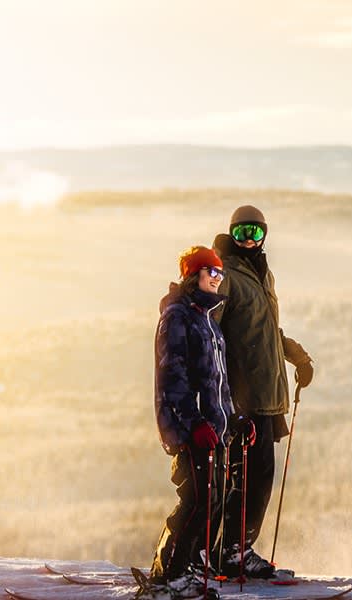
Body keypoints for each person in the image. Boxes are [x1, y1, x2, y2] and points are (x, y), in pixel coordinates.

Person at [212, 205, 314, 578]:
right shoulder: (225, 274)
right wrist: (225, 395)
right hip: (245, 399)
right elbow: (212, 335)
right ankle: (233, 552)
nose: (250, 240)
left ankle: (233, 549)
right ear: (231, 234)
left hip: (267, 395)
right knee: (251, 478)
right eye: (242, 233)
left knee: (258, 478)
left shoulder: (260, 273)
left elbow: (266, 329)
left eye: (256, 233)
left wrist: (297, 356)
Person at [151, 246, 255, 600]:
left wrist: (236, 420)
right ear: (192, 275)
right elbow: (173, 378)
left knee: (212, 499)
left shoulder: (206, 319)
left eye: (220, 273)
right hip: (190, 429)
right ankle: (169, 573)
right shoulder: (178, 316)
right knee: (196, 499)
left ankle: (187, 566)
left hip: (213, 430)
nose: (217, 278)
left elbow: (218, 382)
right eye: (210, 271)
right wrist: (193, 423)